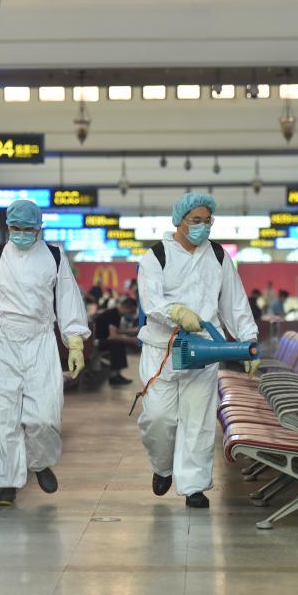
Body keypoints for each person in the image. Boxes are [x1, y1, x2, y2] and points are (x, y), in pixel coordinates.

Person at [0, 199, 90, 506]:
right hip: (4, 340)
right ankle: (6, 483)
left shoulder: (54, 257)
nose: (21, 233)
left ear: (38, 229)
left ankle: (40, 462)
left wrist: (74, 341)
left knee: (45, 415)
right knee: (2, 416)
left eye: (27, 229)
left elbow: (68, 299)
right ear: (8, 227)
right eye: (16, 228)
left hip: (40, 339)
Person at [137, 192, 258, 509]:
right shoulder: (156, 256)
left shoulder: (218, 256)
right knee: (158, 419)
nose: (202, 227)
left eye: (207, 221)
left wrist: (249, 341)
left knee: (198, 421)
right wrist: (176, 312)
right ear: (179, 220)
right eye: (195, 221)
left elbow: (235, 303)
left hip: (205, 350)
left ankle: (193, 486)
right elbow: (150, 300)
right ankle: (162, 466)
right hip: (162, 350)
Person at [94, 297, 139, 386]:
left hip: (103, 339)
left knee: (119, 342)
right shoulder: (113, 314)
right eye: (131, 312)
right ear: (126, 307)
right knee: (117, 343)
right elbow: (113, 336)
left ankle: (117, 374)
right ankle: (114, 376)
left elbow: (116, 331)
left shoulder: (115, 313)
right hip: (97, 341)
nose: (130, 314)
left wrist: (132, 332)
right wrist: (132, 340)